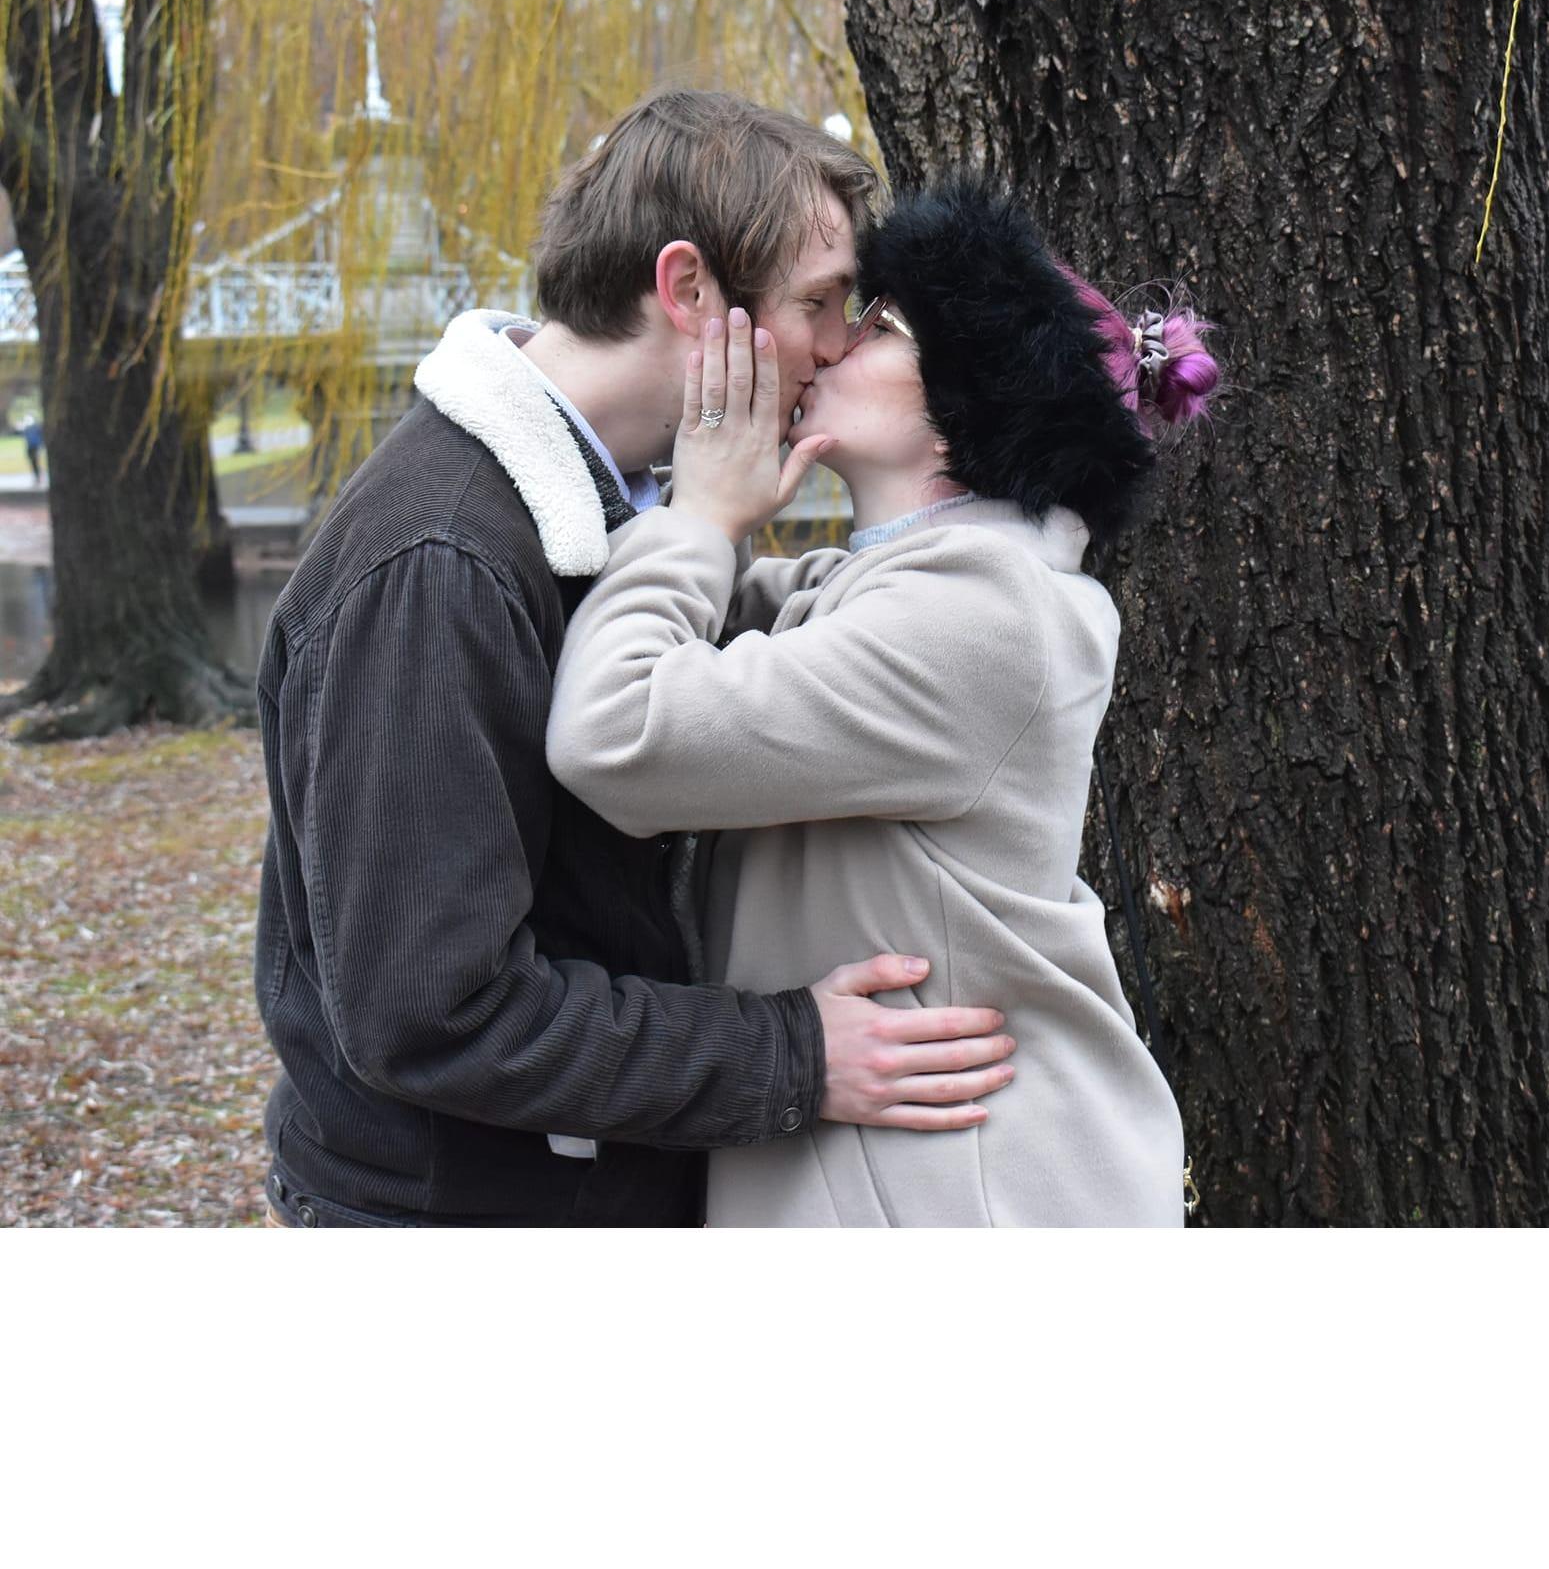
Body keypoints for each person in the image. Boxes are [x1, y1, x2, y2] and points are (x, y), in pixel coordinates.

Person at [253, 90, 1017, 1228]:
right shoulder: (439, 562)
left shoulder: (614, 508)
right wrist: (792, 1055)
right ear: (689, 289)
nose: (834, 344)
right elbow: (429, 1012)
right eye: (817, 302)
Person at [547, 174, 1216, 1226]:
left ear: (963, 407)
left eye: (878, 323)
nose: (830, 343)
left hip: (966, 1195)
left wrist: (703, 518)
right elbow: (688, 624)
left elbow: (614, 730)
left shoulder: (979, 618)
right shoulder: (895, 591)